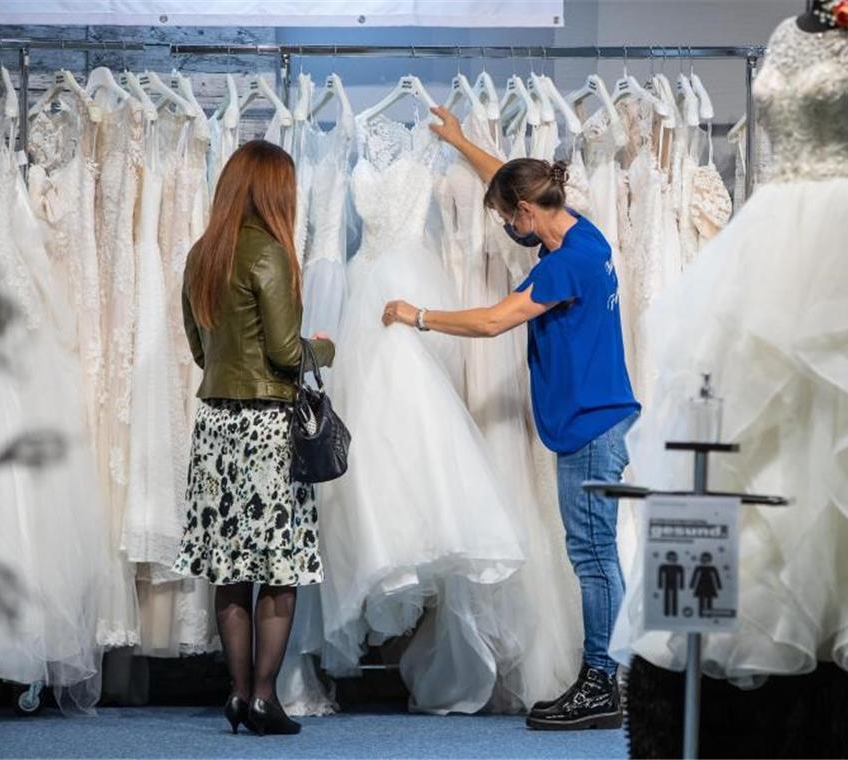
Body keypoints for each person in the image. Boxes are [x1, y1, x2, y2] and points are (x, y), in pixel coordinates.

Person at [382, 106, 642, 731]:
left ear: (527, 216)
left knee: (593, 556)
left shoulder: (563, 265)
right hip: (598, 418)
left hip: (588, 426)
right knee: (595, 552)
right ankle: (605, 678)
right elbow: (513, 181)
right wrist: (463, 142)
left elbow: (496, 320)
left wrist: (418, 316)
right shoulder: (584, 233)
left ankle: (603, 683)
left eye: (507, 219)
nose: (507, 227)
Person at [171, 140, 335, 736]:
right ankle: (265, 695)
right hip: (267, 428)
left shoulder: (200, 255)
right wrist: (327, 348)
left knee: (230, 569)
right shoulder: (267, 251)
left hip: (214, 427)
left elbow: (198, 349)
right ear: (273, 189)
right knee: (279, 568)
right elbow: (288, 353)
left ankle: (238, 695)